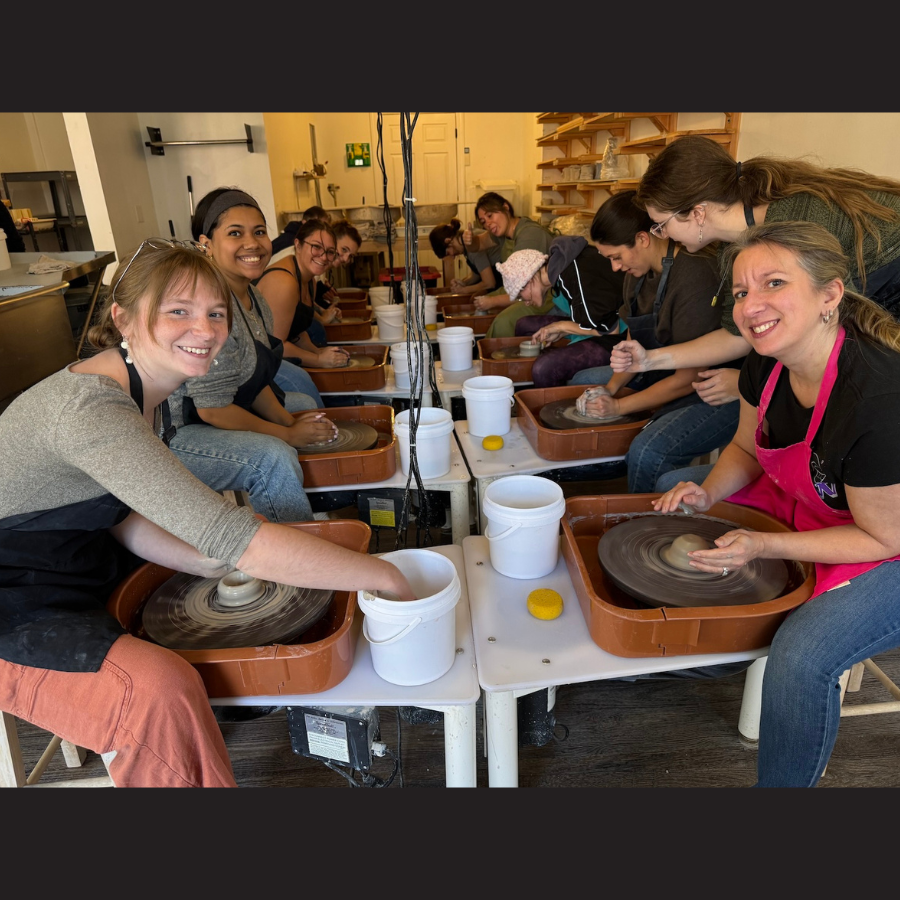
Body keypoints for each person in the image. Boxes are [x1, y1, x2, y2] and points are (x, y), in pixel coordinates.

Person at [0, 239, 415, 788]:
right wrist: (384, 574)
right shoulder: (92, 409)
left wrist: (207, 564)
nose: (206, 329)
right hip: (15, 601)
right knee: (158, 691)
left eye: (215, 313)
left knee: (213, 590)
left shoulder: (143, 388)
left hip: (74, 562)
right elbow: (233, 535)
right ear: (123, 318)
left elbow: (123, 515)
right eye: (179, 311)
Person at [653, 220, 900, 788]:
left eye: (773, 284)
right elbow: (745, 446)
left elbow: (883, 536)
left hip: (884, 541)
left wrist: (763, 543)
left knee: (801, 657)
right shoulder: (765, 362)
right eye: (741, 292)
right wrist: (707, 492)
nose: (750, 306)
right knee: (673, 487)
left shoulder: (877, 399)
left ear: (829, 295)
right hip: (816, 505)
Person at [611, 136, 900, 483]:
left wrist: (750, 387)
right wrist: (649, 360)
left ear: (698, 212)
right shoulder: (736, 248)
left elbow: (818, 344)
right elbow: (737, 336)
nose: (665, 236)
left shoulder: (800, 228)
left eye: (663, 224)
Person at [167, 187, 335, 524]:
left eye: (259, 232)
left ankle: (310, 510)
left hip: (222, 409)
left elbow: (253, 381)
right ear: (206, 244)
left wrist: (290, 422)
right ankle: (294, 558)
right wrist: (286, 435)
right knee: (272, 457)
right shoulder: (208, 308)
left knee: (303, 409)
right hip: (179, 432)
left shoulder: (254, 300)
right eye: (235, 233)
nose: (252, 243)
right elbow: (212, 409)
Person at [568, 191, 738, 493]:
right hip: (661, 368)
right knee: (584, 380)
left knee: (648, 452)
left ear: (643, 239)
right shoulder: (638, 270)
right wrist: (610, 388)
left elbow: (688, 379)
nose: (614, 268)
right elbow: (635, 338)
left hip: (713, 388)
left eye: (616, 257)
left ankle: (643, 526)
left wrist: (618, 406)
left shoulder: (693, 275)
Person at [490, 236, 625, 387]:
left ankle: (550, 406)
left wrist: (562, 327)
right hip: (598, 321)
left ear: (528, 281)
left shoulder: (574, 276)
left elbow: (609, 330)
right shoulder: (560, 266)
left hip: (621, 336)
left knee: (544, 368)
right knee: (524, 325)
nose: (526, 302)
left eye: (522, 297)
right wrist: (562, 331)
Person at [254, 218, 351, 376]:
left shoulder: (309, 281)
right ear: (298, 245)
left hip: (274, 351)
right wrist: (319, 360)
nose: (324, 256)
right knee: (305, 387)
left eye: (330, 252)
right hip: (257, 360)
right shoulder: (284, 282)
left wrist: (319, 352)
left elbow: (297, 332)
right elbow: (277, 346)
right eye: (316, 247)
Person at [462, 192, 555, 337]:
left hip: (545, 295)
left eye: (490, 216)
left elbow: (526, 287)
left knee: (503, 322)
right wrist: (470, 241)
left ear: (505, 207)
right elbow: (478, 244)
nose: (488, 223)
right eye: (483, 221)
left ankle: (499, 357)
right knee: (480, 304)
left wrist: (492, 302)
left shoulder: (530, 234)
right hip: (522, 288)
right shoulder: (504, 232)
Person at [429, 217, 501, 296]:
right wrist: (463, 282)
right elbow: (476, 275)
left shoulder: (471, 243)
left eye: (448, 253)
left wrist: (463, 290)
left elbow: (489, 283)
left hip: (508, 276)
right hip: (498, 275)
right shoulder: (464, 245)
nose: (452, 257)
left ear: (448, 241)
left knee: (475, 298)